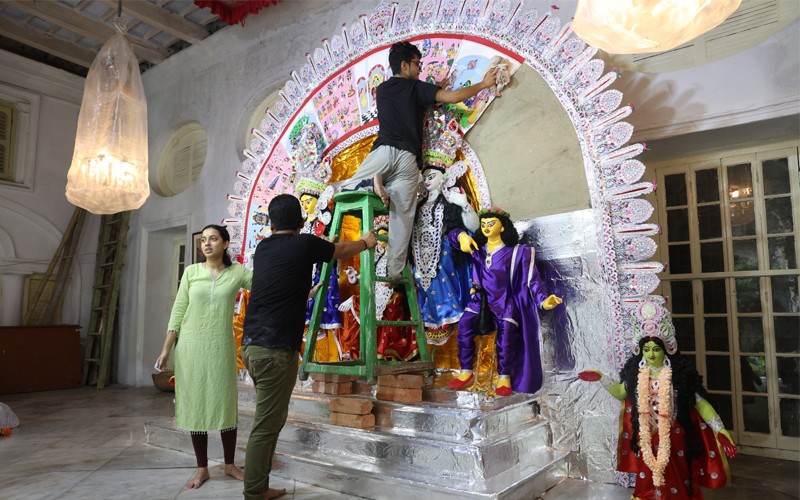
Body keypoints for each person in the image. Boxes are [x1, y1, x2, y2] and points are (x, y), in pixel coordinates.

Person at [241, 194, 378, 500]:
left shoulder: (263, 248)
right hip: (275, 350)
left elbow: (284, 282)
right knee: (266, 425)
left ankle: (259, 487)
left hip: (252, 347)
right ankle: (253, 493)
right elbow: (339, 249)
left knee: (271, 421)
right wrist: (366, 242)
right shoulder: (305, 243)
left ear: (272, 223)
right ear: (302, 222)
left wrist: (310, 288)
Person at [340, 40, 498, 280]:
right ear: (404, 65)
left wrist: (428, 89)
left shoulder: (381, 90)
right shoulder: (417, 89)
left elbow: (406, 103)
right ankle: (393, 275)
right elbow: (453, 97)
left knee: (344, 190)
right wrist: (484, 84)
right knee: (401, 220)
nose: (419, 69)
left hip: (382, 152)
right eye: (417, 64)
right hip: (408, 161)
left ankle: (372, 185)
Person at [579, 297, 737, 499]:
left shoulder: (679, 374)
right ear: (640, 351)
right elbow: (621, 392)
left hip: (675, 435)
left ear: (667, 350)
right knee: (648, 479)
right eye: (646, 350)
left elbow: (700, 403)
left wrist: (720, 429)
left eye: (656, 349)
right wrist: (601, 378)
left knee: (677, 479)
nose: (651, 355)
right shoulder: (636, 374)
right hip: (646, 435)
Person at [155, 224, 252, 489]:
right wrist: (166, 348)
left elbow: (264, 288)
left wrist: (302, 292)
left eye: (213, 239)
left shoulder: (236, 273)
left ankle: (230, 464)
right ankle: (202, 468)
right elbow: (178, 311)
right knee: (196, 404)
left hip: (220, 347)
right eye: (204, 240)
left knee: (224, 403)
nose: (207, 244)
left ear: (225, 244)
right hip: (190, 347)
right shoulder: (191, 273)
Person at [446, 207, 562, 396]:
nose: (486, 227)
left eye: (491, 224)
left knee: (507, 336)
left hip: (505, 302)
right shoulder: (478, 249)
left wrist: (544, 300)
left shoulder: (518, 252)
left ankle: (504, 376)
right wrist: (461, 237)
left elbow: (533, 280)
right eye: (483, 224)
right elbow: (451, 235)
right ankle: (466, 370)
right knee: (465, 325)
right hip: (480, 300)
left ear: (502, 227)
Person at [411, 109, 478, 346]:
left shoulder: (450, 202)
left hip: (445, 259)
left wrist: (465, 207)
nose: (427, 179)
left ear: (445, 176)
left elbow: (472, 227)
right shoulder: (416, 206)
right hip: (419, 262)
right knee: (422, 291)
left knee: (445, 286)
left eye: (432, 175)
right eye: (424, 175)